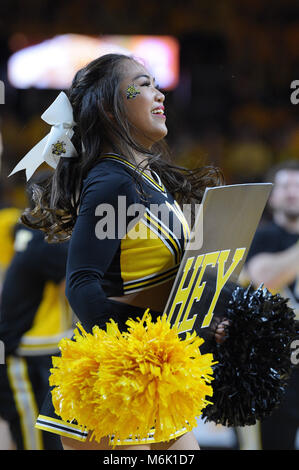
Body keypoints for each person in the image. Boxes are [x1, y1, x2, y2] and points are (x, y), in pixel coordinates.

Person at [11, 53, 226, 451]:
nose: (158, 94)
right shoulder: (113, 182)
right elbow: (81, 285)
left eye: (156, 84)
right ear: (111, 109)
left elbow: (167, 282)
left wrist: (207, 323)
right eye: (141, 85)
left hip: (150, 377)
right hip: (111, 386)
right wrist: (138, 347)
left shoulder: (150, 179)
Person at [0, 177, 73, 450]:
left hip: (39, 350)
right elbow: (78, 294)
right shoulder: (50, 242)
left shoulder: (26, 229)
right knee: (39, 444)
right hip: (26, 353)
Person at [245, 159, 299, 450]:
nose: (292, 192)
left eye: (297, 186)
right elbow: (265, 278)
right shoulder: (262, 236)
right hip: (276, 368)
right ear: (273, 196)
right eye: (285, 186)